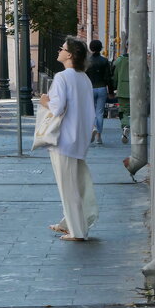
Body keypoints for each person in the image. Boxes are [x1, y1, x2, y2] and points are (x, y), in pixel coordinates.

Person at [39, 36, 98, 241]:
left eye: (62, 48)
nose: (59, 51)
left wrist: (45, 101)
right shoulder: (84, 78)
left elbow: (58, 107)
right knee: (78, 184)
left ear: (70, 55)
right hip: (79, 138)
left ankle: (77, 231)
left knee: (68, 187)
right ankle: (70, 223)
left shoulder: (63, 77)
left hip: (64, 139)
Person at [86, 39, 113, 145]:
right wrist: (110, 91)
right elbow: (108, 78)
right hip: (102, 88)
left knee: (90, 112)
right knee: (100, 113)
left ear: (90, 48)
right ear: (101, 48)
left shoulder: (87, 61)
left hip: (90, 89)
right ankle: (99, 137)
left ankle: (93, 129)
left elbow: (84, 77)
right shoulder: (104, 61)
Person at [113, 47, 130, 143]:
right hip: (138, 91)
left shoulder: (120, 60)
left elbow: (115, 75)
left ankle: (126, 125)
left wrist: (114, 87)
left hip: (123, 90)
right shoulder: (141, 59)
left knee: (123, 112)